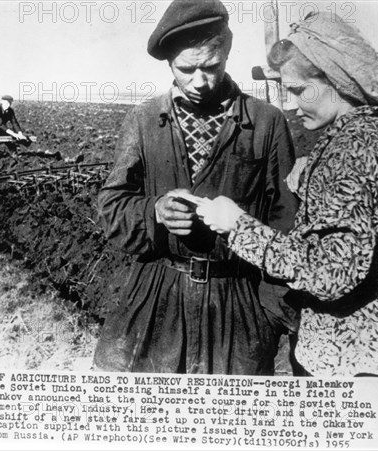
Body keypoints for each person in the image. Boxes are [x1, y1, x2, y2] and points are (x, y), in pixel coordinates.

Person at [196, 11, 378, 377]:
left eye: (299, 90)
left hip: (352, 358)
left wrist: (237, 226)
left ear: (337, 81)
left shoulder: (348, 152)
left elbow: (330, 272)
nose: (293, 105)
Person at [93, 0, 299, 375]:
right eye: (187, 69)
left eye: (211, 66)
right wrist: (153, 211)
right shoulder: (143, 121)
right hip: (156, 298)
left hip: (237, 305)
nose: (200, 81)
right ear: (169, 63)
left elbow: (288, 220)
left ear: (227, 49)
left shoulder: (267, 123)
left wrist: (270, 315)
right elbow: (111, 206)